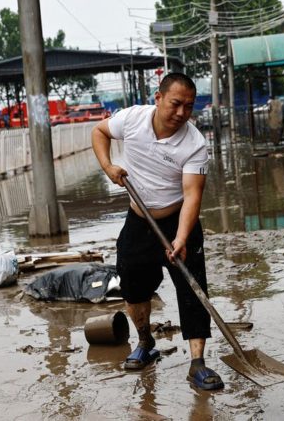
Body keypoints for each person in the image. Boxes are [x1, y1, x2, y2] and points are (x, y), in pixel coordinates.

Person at [90, 72, 223, 391]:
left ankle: (197, 364)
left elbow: (192, 195)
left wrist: (180, 237)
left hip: (179, 220)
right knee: (133, 286)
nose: (181, 113)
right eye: (175, 104)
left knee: (193, 290)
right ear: (158, 98)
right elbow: (98, 131)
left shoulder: (195, 143)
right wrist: (109, 167)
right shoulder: (132, 119)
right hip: (138, 220)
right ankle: (146, 342)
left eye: (188, 107)